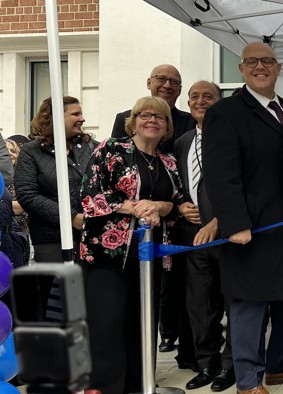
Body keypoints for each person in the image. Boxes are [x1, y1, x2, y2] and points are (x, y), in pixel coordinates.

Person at [203, 42, 283, 394]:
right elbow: (220, 174)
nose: (261, 67)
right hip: (251, 227)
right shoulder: (225, 112)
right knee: (250, 303)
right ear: (242, 69)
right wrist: (234, 223)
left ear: (278, 68)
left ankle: (280, 365)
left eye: (268, 61)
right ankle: (247, 380)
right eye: (253, 62)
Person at [80, 96, 183, 394]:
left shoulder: (168, 161)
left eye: (160, 117)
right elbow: (90, 196)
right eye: (145, 115)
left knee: (143, 322)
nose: (152, 121)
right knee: (107, 323)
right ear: (133, 121)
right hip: (107, 255)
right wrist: (136, 207)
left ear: (167, 126)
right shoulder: (111, 149)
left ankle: (140, 384)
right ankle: (106, 387)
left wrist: (159, 206)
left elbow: (175, 204)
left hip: (149, 256)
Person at [173, 81, 236, 391]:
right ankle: (206, 364)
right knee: (199, 306)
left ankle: (229, 366)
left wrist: (218, 220)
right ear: (187, 103)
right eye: (195, 97)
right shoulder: (182, 142)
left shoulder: (233, 138)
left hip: (227, 236)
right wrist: (181, 204)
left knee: (233, 304)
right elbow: (178, 184)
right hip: (191, 238)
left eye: (208, 96)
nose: (201, 101)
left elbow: (242, 186)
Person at [16, 96, 96, 262]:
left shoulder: (94, 147)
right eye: (76, 114)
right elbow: (27, 195)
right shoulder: (32, 152)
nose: (82, 119)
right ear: (56, 117)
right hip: (51, 240)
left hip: (92, 237)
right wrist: (72, 217)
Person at [110, 64, 197, 153]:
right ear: (149, 83)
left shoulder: (192, 122)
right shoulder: (125, 119)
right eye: (161, 79)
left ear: (180, 90)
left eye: (174, 82)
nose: (167, 85)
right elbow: (115, 155)